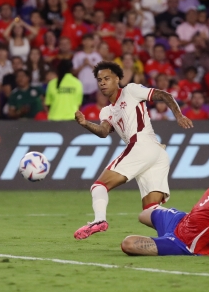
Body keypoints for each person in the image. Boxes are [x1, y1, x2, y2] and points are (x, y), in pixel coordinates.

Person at [73, 61, 193, 240]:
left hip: (142, 145)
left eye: (107, 78)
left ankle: (99, 220)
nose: (103, 83)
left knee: (99, 186)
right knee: (151, 210)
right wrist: (85, 124)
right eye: (99, 80)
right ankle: (189, 226)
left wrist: (178, 115)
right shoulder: (106, 110)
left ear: (117, 79)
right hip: (156, 153)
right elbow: (103, 132)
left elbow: (164, 95)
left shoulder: (130, 90)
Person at [72, 34, 102, 103]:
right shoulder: (78, 55)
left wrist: (89, 64)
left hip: (94, 88)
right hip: (81, 87)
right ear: (83, 42)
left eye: (90, 40)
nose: (88, 42)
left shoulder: (97, 56)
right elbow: (74, 72)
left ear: (93, 42)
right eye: (86, 40)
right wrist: (83, 65)